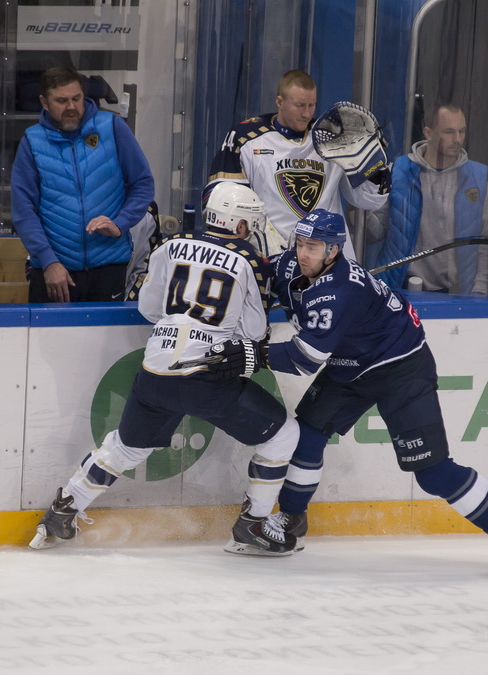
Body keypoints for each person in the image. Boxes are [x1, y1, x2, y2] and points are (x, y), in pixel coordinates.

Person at [204, 209, 488, 580]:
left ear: (334, 250)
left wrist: (251, 355)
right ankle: (291, 520)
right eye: (300, 244)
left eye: (313, 247)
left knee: (431, 472)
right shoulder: (291, 265)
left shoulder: (339, 291)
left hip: (400, 366)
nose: (303, 253)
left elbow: (304, 358)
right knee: (307, 437)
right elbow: (253, 273)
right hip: (350, 365)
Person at [30, 183, 300, 556]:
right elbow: (253, 333)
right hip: (206, 378)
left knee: (126, 448)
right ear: (239, 225)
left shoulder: (170, 245)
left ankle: (63, 510)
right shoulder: (247, 259)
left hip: (156, 371)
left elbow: (149, 307)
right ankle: (253, 524)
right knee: (284, 434)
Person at [203, 69, 389, 258]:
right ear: (279, 102)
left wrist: (375, 167)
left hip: (326, 260)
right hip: (270, 257)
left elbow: (368, 200)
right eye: (300, 105)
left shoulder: (334, 141)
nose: (306, 113)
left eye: (311, 105)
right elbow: (220, 200)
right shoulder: (246, 138)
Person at [11, 67, 154, 303]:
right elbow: (23, 210)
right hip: (55, 273)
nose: (71, 107)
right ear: (44, 102)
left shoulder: (112, 127)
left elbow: (143, 184)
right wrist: (49, 262)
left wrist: (120, 224)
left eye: (76, 99)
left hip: (109, 267)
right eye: (62, 100)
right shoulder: (31, 141)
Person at [370, 103, 488, 294]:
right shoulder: (398, 171)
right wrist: (359, 205)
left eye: (461, 132)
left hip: (458, 294)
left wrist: (478, 293)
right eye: (449, 132)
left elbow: (487, 245)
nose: (457, 139)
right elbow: (375, 233)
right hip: (401, 289)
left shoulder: (481, 178)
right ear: (428, 133)